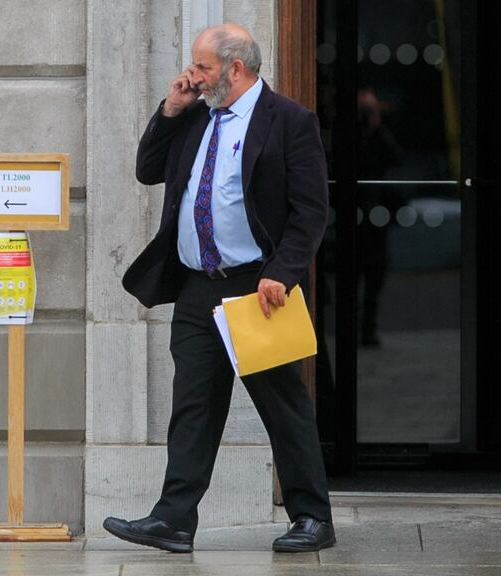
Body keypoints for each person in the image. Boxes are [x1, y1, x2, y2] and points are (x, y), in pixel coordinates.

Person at [103, 23, 335, 553]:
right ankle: (174, 520)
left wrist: (283, 271)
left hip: (258, 287)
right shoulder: (195, 115)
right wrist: (170, 108)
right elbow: (146, 171)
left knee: (281, 403)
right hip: (197, 286)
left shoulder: (289, 122)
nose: (193, 74)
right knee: (193, 405)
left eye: (203, 67)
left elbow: (310, 211)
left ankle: (312, 517)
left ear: (236, 67)